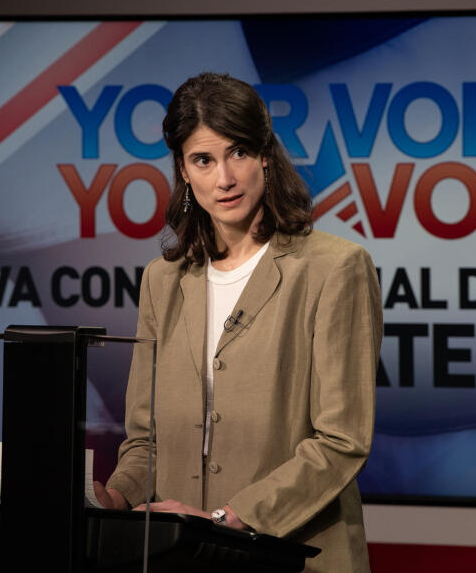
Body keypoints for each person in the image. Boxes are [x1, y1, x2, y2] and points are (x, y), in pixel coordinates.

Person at [93, 72, 382, 573]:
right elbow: (147, 438)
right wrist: (117, 497)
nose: (224, 178)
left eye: (239, 153)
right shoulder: (162, 281)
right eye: (203, 160)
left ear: (266, 155)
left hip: (294, 556)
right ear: (184, 171)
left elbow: (342, 441)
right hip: (180, 558)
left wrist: (228, 518)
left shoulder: (336, 267)